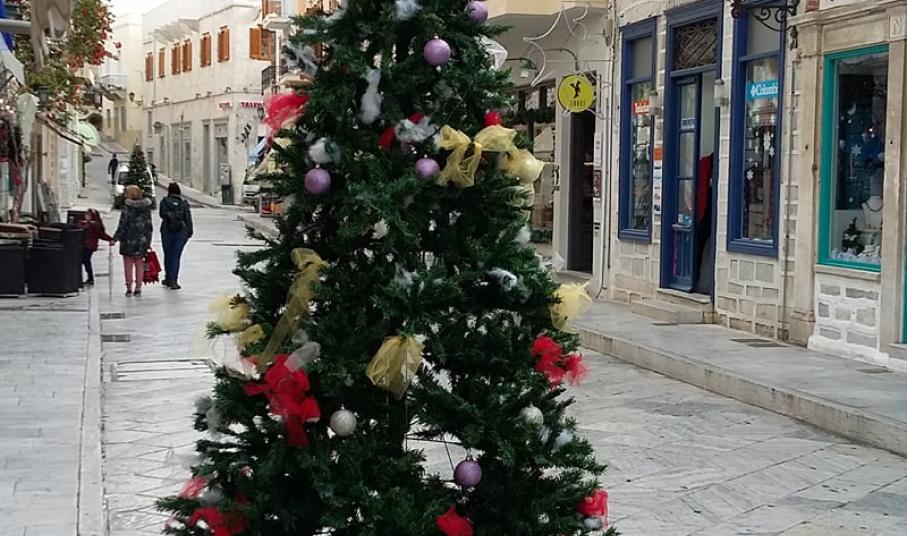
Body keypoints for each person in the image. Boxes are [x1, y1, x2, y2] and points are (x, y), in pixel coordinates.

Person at [113, 185, 153, 297]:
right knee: (139, 264)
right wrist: (148, 241)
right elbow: (149, 225)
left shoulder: (127, 207)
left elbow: (122, 224)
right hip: (142, 240)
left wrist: (115, 238)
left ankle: (129, 288)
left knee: (128, 265)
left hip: (128, 240)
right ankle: (138, 287)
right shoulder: (146, 207)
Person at [158, 182, 193, 289]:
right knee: (176, 256)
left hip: (167, 230)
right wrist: (189, 231)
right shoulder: (184, 204)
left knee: (168, 254)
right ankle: (174, 280)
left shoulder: (164, 202)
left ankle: (168, 277)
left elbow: (161, 214)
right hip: (180, 232)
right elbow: (188, 218)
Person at [79, 209, 113, 286]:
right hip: (86, 245)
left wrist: (111, 239)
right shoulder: (88, 224)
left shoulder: (93, 225)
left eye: (89, 215)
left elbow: (102, 235)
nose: (86, 216)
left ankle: (90, 278)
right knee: (85, 260)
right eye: (86, 215)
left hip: (89, 245)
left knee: (86, 260)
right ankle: (89, 278)